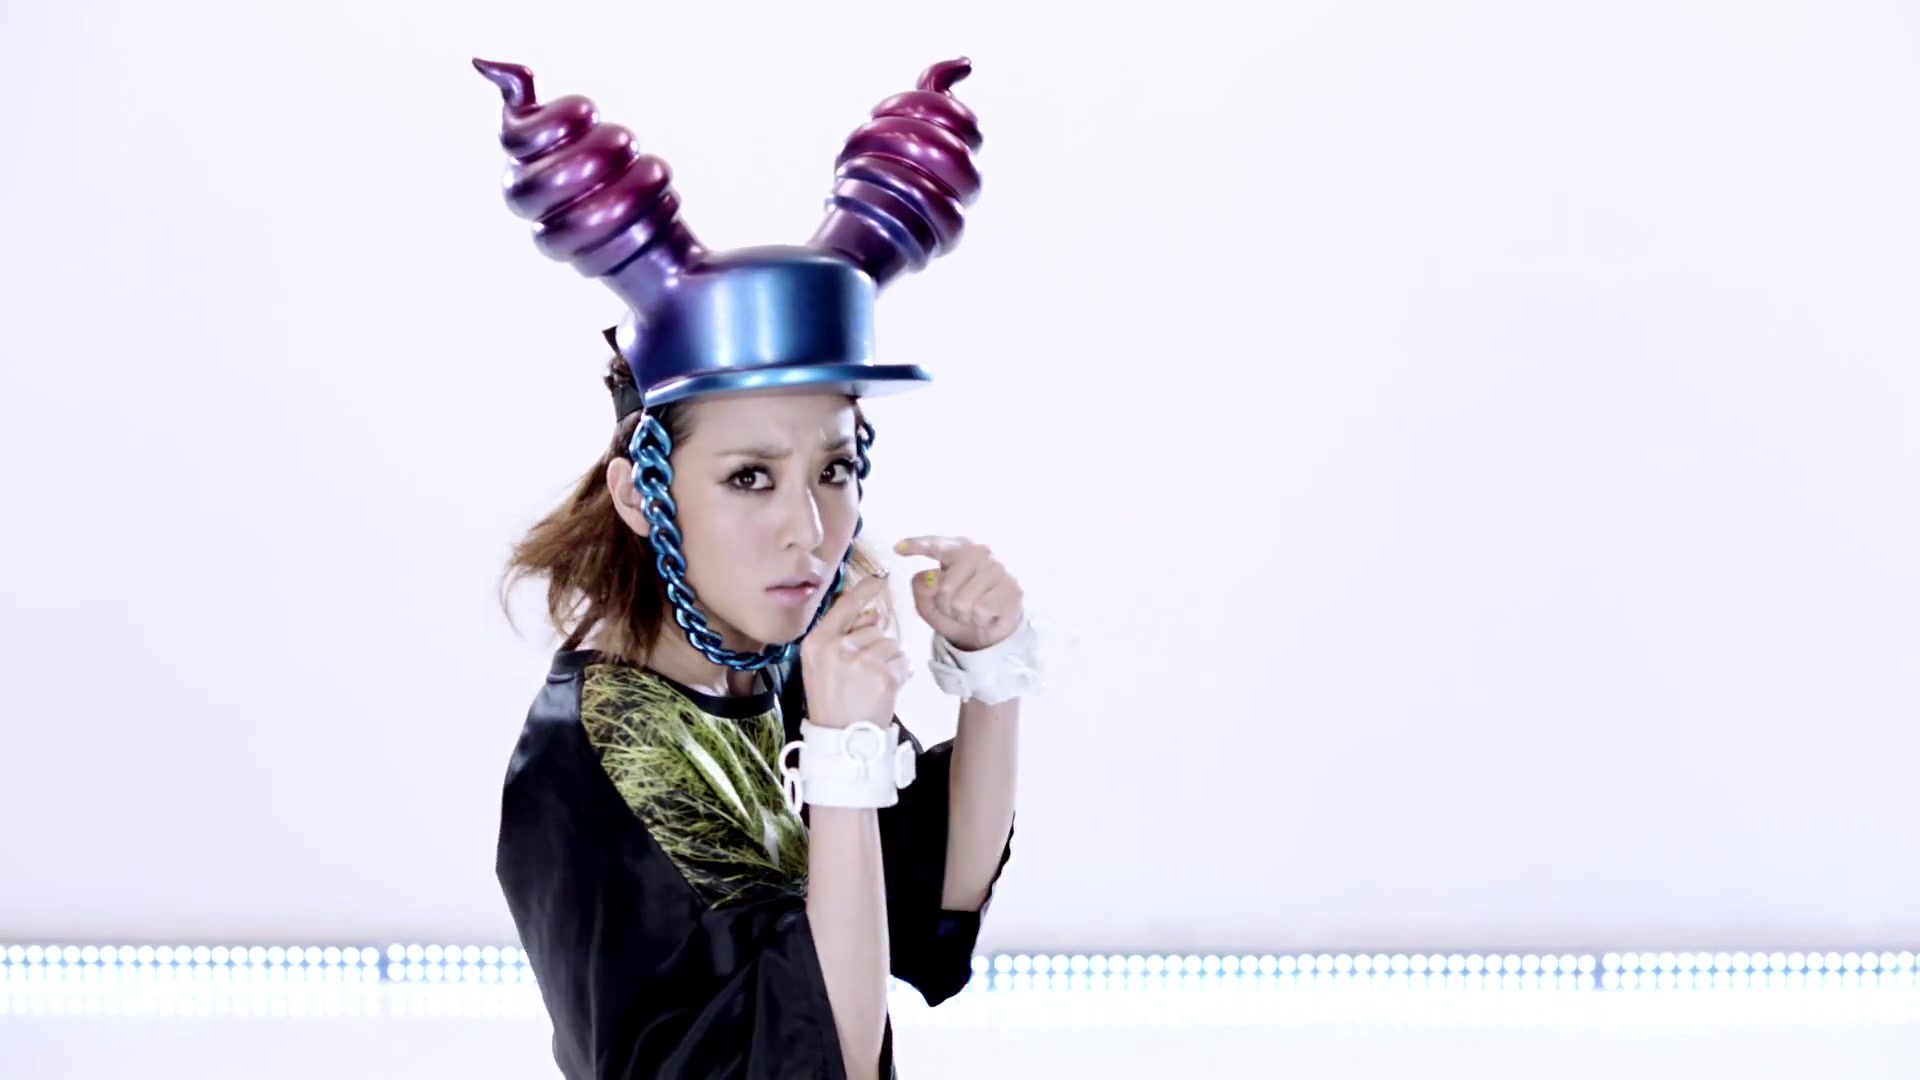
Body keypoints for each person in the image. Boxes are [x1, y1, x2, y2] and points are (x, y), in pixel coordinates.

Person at [473, 55, 1042, 1079]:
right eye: (748, 478)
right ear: (643, 495)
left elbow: (932, 903)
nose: (810, 531)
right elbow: (827, 1056)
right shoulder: (590, 766)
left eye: (834, 469)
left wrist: (988, 675)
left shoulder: (775, 664)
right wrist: (843, 751)